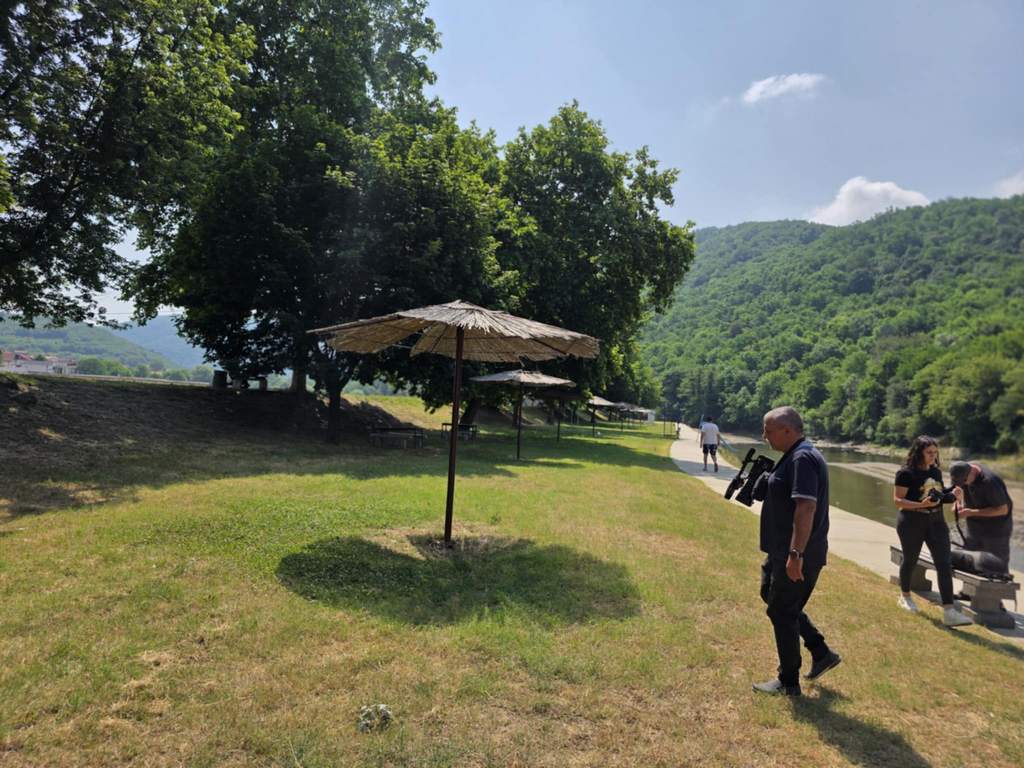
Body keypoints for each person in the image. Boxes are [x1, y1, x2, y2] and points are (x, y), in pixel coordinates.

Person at [752, 406, 841, 697]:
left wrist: (795, 555)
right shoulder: (794, 455)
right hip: (781, 550)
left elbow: (806, 507)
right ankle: (821, 652)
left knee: (781, 611)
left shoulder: (803, 458)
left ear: (787, 430)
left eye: (768, 430)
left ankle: (788, 682)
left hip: (797, 554)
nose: (764, 436)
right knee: (772, 596)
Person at [892, 437, 971, 626]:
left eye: (935, 452)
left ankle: (949, 611)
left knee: (944, 563)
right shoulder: (905, 473)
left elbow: (940, 496)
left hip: (937, 522)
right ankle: (905, 596)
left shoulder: (935, 471)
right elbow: (898, 501)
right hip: (911, 522)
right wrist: (921, 504)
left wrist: (954, 493)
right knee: (910, 560)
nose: (933, 456)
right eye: (929, 453)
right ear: (918, 452)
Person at [948, 461, 1014, 576]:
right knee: (970, 561)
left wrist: (970, 512)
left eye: (964, 481)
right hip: (974, 526)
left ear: (971, 473)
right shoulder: (961, 471)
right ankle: (969, 588)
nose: (963, 484)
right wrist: (957, 504)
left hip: (996, 530)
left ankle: (999, 585)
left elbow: (1002, 509)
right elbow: (958, 490)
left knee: (996, 567)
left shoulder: (990, 482)